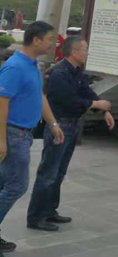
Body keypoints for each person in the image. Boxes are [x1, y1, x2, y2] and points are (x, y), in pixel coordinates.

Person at [27, 36, 115, 232]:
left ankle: (49, 210)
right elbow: (69, 100)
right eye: (85, 49)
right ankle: (35, 217)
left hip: (72, 125)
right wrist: (96, 104)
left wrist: (104, 110)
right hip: (59, 126)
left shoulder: (76, 72)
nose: (87, 53)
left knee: (59, 172)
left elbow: (87, 93)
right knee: (48, 172)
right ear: (74, 52)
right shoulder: (58, 73)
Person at [0, 21, 64, 254]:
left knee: (4, 184)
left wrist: (53, 123)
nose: (52, 44)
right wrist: (1, 140)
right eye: (49, 39)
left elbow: (39, 96)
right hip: (13, 134)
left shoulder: (33, 65)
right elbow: (1, 103)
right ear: (36, 40)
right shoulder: (15, 67)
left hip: (23, 134)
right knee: (17, 186)